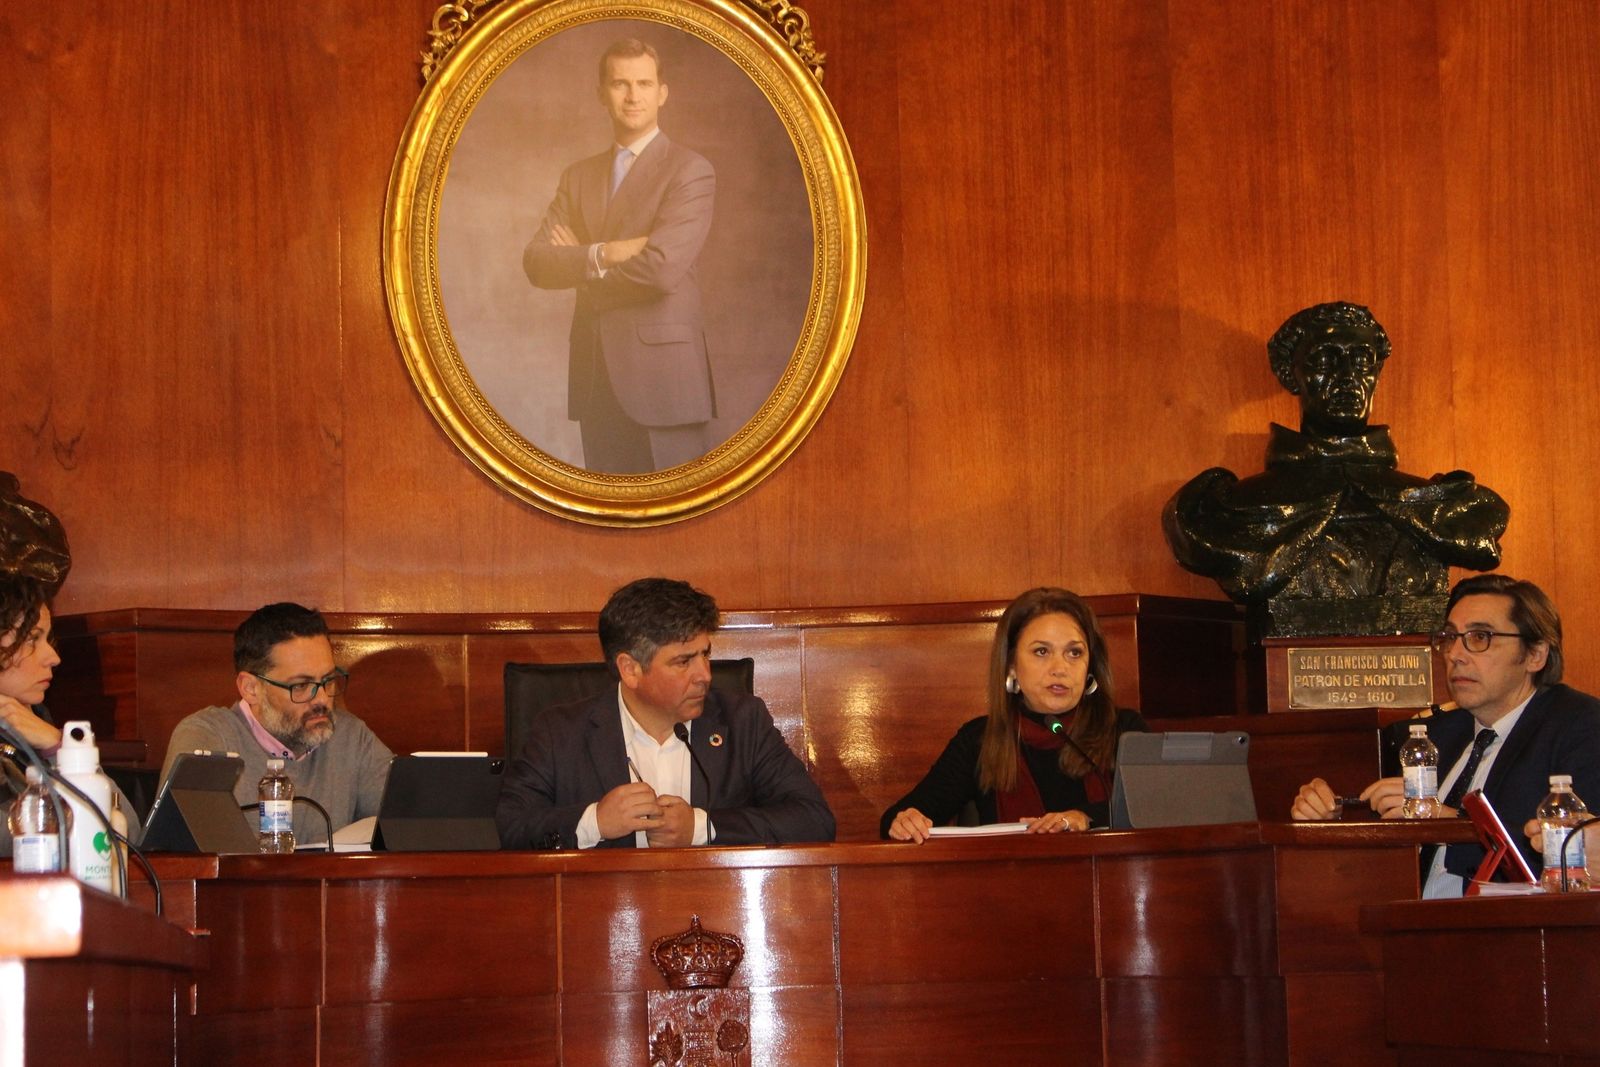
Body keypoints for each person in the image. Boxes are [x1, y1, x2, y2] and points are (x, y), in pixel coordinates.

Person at [1163, 302, 1507, 635]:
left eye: (1361, 361)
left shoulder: (1447, 507)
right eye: (1325, 360)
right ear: (1290, 375)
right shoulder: (1222, 511)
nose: (1347, 378)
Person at [1291, 575, 1600, 896]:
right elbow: (1389, 839)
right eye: (1450, 637)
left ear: (1535, 655)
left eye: (1480, 637)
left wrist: (1453, 823)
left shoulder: (1580, 726)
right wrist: (1331, 817)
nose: (1455, 654)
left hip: (1512, 933)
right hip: (1414, 925)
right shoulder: (1432, 736)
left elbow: (1576, 856)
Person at [496, 577, 835, 849]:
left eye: (705, 654)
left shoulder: (742, 721)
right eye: (683, 661)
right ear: (630, 669)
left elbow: (814, 820)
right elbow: (511, 827)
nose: (704, 674)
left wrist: (703, 828)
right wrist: (595, 822)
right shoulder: (561, 732)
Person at [523, 38, 717, 474]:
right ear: (601, 94)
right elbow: (536, 262)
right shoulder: (577, 177)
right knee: (606, 531)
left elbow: (662, 271)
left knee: (674, 532)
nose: (633, 95)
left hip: (665, 384)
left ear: (662, 93)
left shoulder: (690, 170)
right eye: (620, 84)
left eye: (644, 83)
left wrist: (580, 265)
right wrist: (605, 252)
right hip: (596, 380)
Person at [881, 588, 1148, 842]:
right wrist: (905, 822)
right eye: (1042, 652)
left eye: (1074, 652)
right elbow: (894, 820)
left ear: (1091, 665)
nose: (1060, 668)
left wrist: (1084, 818)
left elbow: (1158, 807)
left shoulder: (1124, 731)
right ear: (1011, 665)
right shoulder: (981, 741)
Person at [158, 603, 393, 846]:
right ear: (251, 689)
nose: (322, 699)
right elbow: (180, 853)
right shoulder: (207, 737)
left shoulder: (350, 736)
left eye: (328, 680)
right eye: (301, 686)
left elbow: (409, 823)